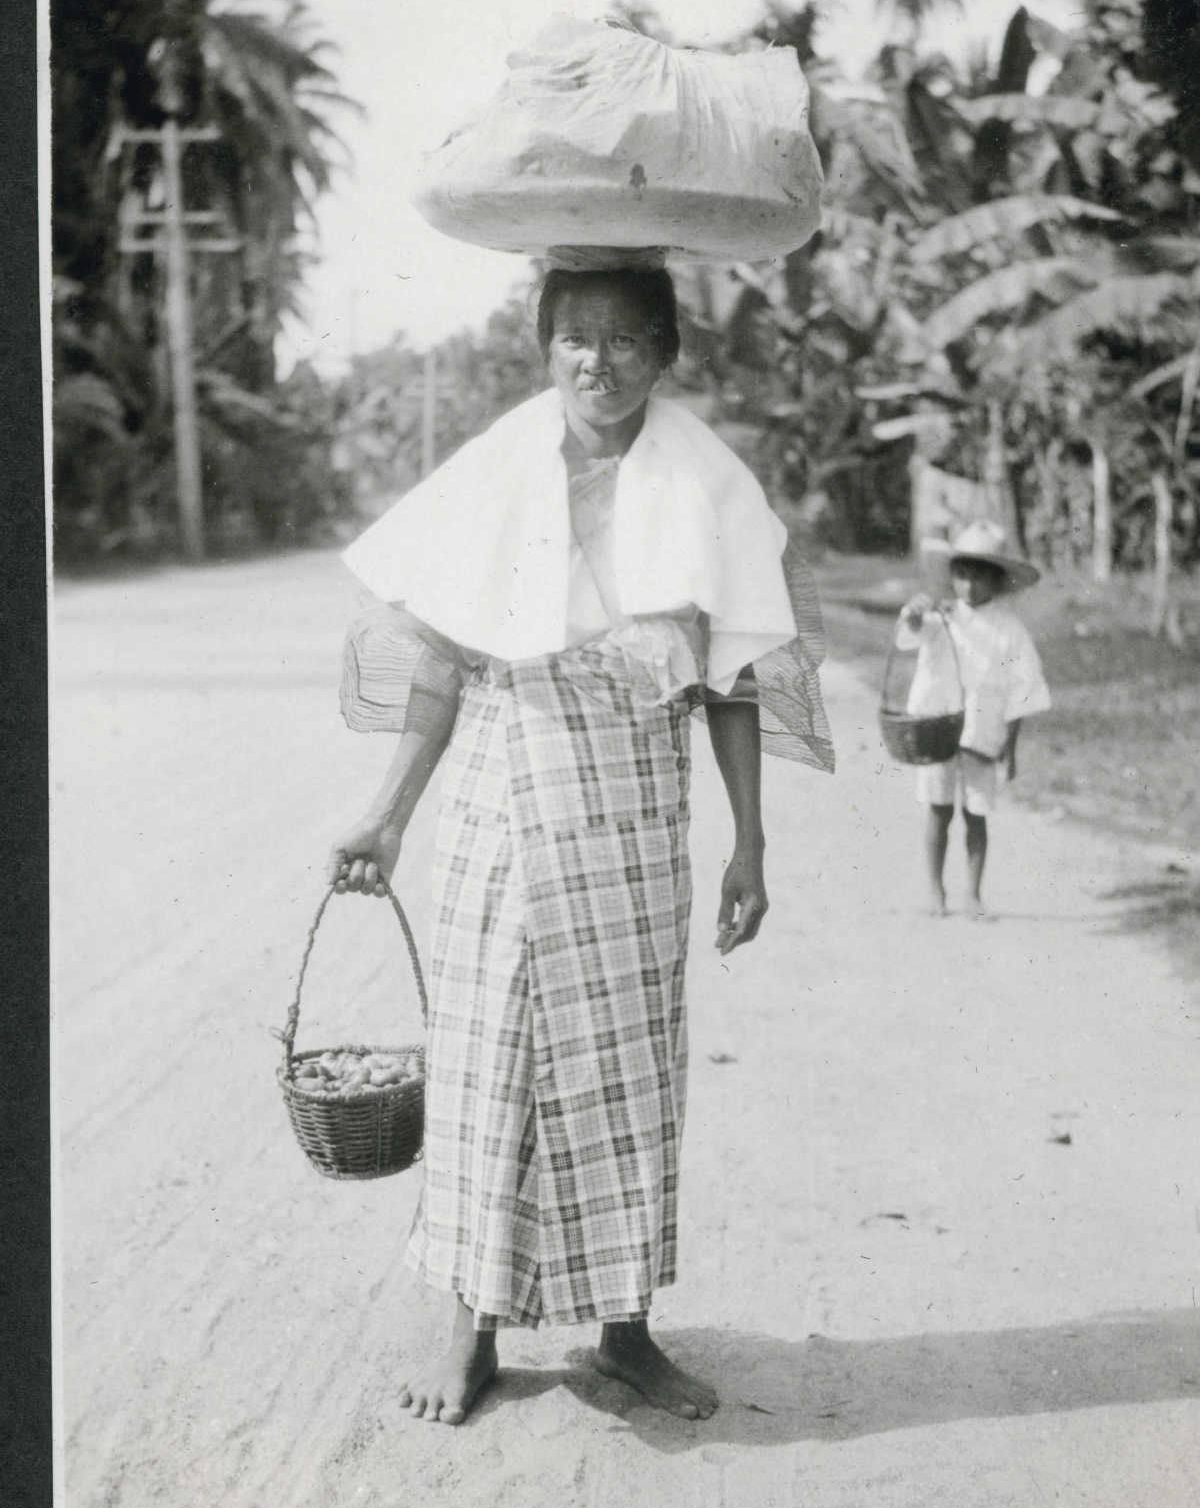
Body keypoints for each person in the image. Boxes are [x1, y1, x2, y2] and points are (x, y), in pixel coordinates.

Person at [328, 258, 833, 1427]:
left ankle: (625, 1332)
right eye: (576, 338)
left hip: (633, 810)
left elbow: (732, 680)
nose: (598, 361)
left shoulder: (710, 482)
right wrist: (385, 816)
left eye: (625, 338)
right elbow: (444, 663)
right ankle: (470, 1328)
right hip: (506, 787)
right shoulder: (500, 467)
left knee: (627, 1062)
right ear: (545, 348)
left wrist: (750, 844)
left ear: (666, 352)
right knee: (488, 1049)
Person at [894, 520, 1050, 918]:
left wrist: (1010, 748)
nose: (969, 585)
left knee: (976, 813)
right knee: (938, 809)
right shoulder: (942, 616)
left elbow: (1023, 692)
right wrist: (914, 613)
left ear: (996, 580)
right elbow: (910, 633)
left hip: (983, 734)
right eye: (961, 574)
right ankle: (935, 889)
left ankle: (974, 894)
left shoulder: (1010, 631)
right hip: (938, 729)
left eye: (979, 576)